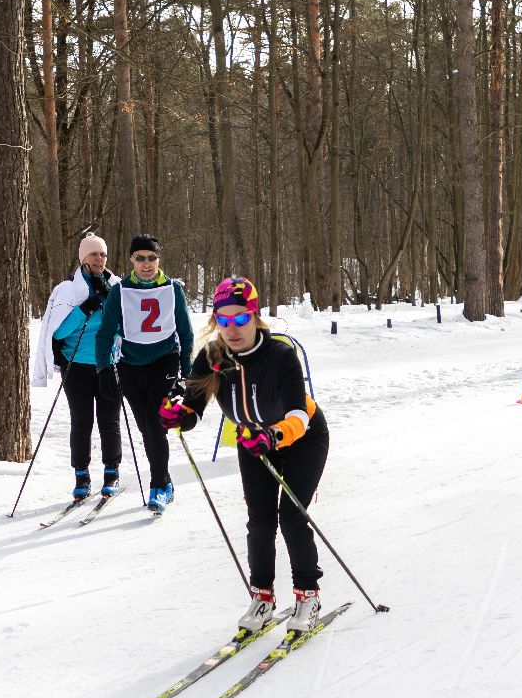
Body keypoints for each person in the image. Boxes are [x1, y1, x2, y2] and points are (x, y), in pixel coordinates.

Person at [159, 277, 329, 636]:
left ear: (255, 316)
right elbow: (192, 407)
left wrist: (275, 434)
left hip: (302, 438)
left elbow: (298, 413)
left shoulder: (280, 354)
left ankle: (308, 596)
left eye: (240, 319)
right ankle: (263, 597)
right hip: (253, 441)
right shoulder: (212, 356)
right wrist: (178, 415)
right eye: (224, 320)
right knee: (260, 522)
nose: (232, 328)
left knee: (292, 518)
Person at [95, 236, 194, 512]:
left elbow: (185, 334)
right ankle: (166, 479)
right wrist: (103, 369)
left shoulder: (172, 289)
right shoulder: (120, 291)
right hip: (130, 365)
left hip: (164, 361)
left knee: (155, 425)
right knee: (145, 429)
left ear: (158, 259)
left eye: (151, 258)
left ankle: (158, 487)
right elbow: (104, 335)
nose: (146, 264)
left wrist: (185, 372)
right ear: (131, 260)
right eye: (140, 258)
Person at [31, 233, 122, 499]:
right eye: (93, 254)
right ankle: (81, 475)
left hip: (109, 365)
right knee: (81, 422)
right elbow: (57, 332)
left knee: (110, 422)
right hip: (77, 367)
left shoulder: (116, 286)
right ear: (83, 258)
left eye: (102, 254)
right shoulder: (66, 291)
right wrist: (85, 309)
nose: (99, 259)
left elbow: (125, 326)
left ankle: (111, 473)